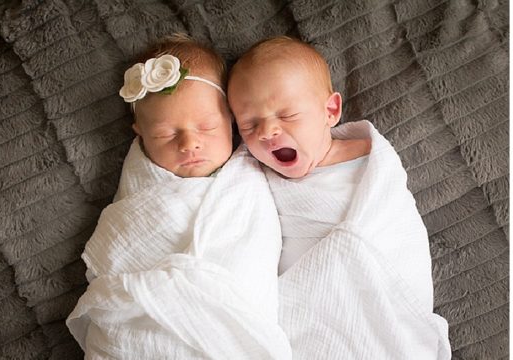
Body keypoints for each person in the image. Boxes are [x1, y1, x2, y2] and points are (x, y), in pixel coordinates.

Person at [67, 34, 291, 359]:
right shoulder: (139, 192)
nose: (189, 144)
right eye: (165, 134)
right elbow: (119, 248)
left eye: (207, 127)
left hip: (236, 327)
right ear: (140, 135)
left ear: (230, 120)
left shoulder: (248, 178)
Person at [228, 36, 451, 359]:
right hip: (310, 320)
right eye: (249, 124)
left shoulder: (370, 160)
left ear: (330, 111)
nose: (266, 132)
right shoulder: (258, 179)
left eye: (286, 115)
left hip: (382, 308)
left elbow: (397, 233)